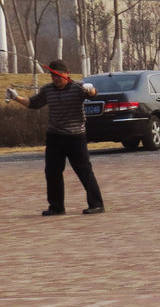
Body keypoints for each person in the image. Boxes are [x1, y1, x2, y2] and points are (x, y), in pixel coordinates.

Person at [5, 59, 105, 215]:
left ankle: (97, 204)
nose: (56, 78)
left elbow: (94, 95)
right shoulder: (48, 90)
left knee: (84, 171)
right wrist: (16, 97)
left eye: (59, 75)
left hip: (75, 136)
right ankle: (56, 207)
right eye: (53, 75)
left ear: (67, 74)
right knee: (52, 172)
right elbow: (34, 103)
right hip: (54, 137)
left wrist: (90, 90)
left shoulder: (78, 87)